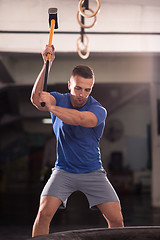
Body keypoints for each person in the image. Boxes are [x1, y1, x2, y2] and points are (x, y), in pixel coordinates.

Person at [30, 45, 124, 237]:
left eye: (87, 90)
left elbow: (79, 119)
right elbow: (35, 99)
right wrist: (47, 65)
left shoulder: (98, 110)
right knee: (43, 214)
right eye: (78, 88)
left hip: (93, 172)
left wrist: (51, 109)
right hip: (63, 171)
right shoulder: (59, 99)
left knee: (116, 219)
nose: (82, 94)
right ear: (69, 85)